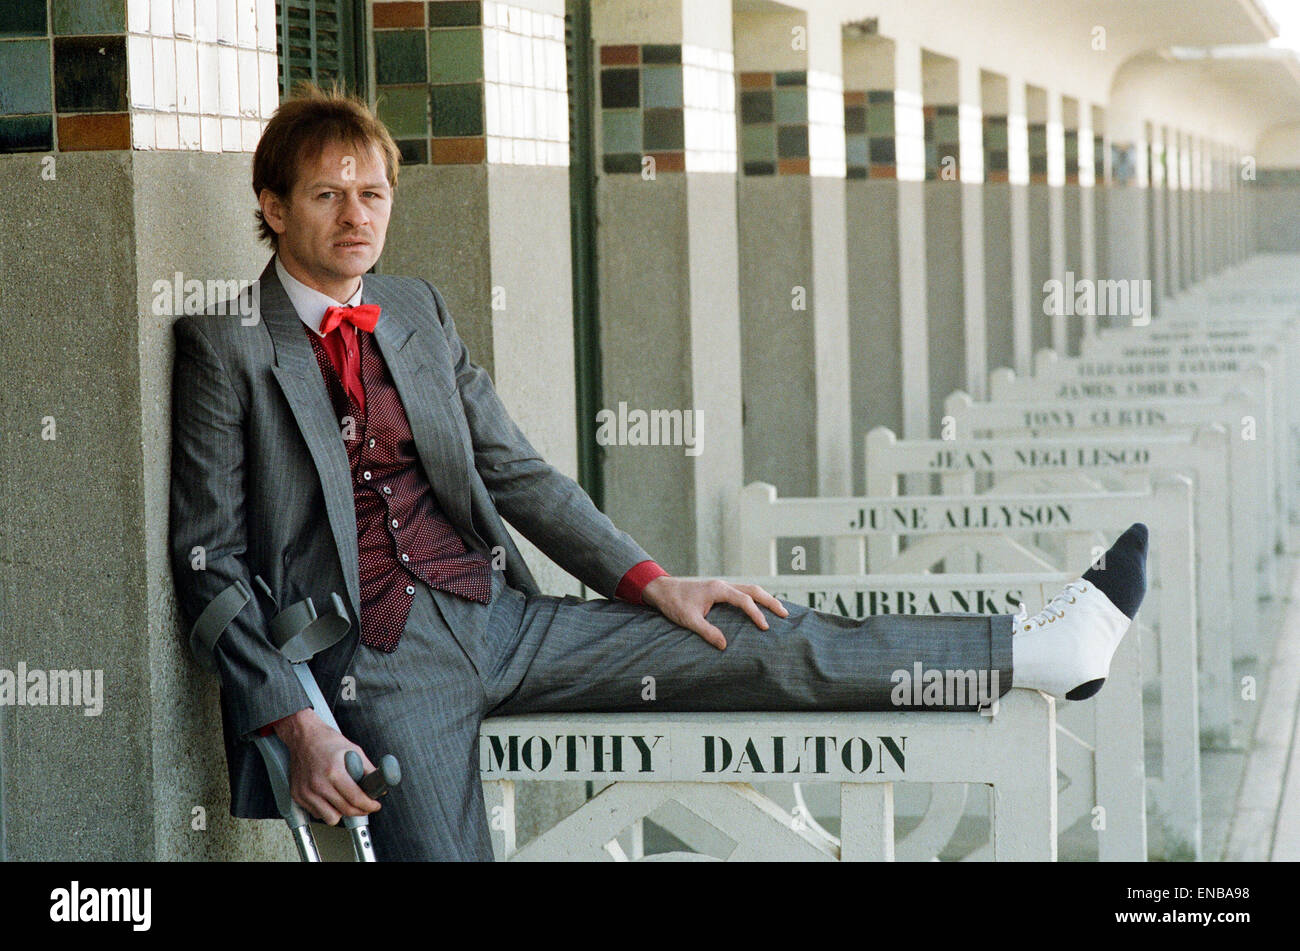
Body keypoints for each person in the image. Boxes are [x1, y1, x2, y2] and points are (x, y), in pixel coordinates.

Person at [169, 84, 1148, 861]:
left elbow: (516, 473)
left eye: (371, 192)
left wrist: (651, 581)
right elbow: (207, 566)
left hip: (504, 617)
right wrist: (291, 714)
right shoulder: (229, 346)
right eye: (327, 193)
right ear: (273, 204)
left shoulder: (415, 309)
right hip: (376, 664)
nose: (354, 215)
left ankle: (1033, 648)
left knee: (750, 633)